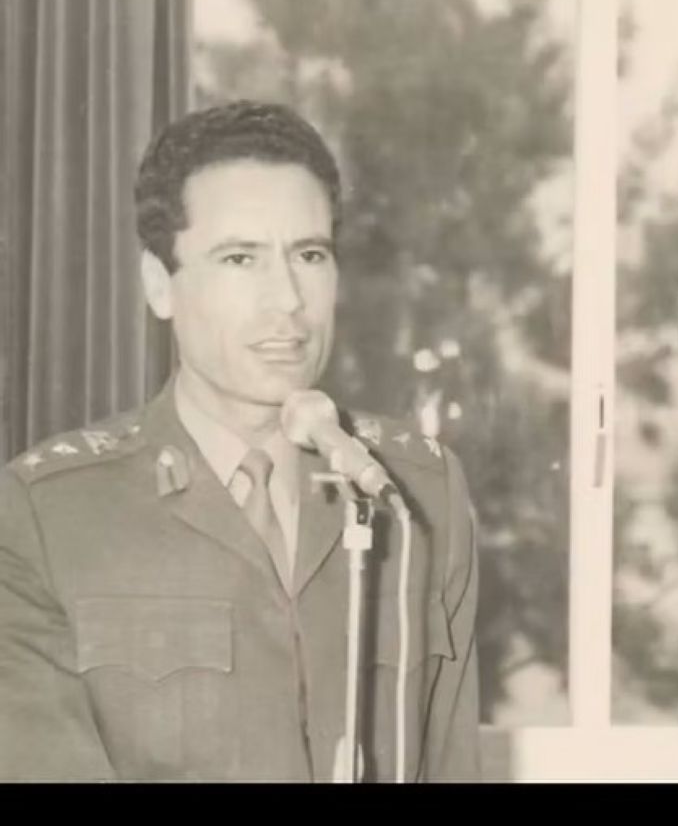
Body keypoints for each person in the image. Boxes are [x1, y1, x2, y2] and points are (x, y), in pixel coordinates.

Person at [0, 101, 480, 781]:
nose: (286, 298)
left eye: (309, 254)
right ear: (160, 285)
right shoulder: (46, 516)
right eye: (240, 258)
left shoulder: (411, 494)